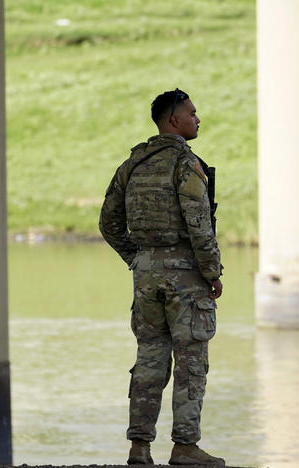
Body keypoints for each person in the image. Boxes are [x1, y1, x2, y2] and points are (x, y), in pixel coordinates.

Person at [99, 89, 224, 466]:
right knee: (191, 361)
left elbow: (108, 222)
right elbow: (199, 224)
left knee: (150, 358)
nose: (198, 119)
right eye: (192, 113)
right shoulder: (186, 164)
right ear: (175, 120)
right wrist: (212, 272)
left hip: (147, 276)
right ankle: (185, 447)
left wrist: (137, 259)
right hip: (185, 277)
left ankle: (139, 447)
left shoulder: (133, 163)